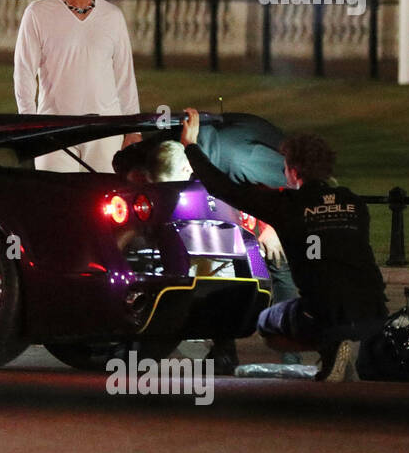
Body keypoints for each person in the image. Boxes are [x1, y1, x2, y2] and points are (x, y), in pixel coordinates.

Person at [178, 108, 387, 381]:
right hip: (374, 312)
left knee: (268, 324)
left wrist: (190, 146)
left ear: (292, 170)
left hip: (325, 313)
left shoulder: (287, 205)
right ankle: (339, 349)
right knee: (339, 298)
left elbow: (222, 189)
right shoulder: (354, 203)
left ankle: (331, 342)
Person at [115, 113, 299, 369]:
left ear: (186, 169)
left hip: (263, 182)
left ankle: (292, 356)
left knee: (279, 260)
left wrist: (272, 226)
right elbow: (123, 159)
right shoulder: (159, 149)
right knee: (215, 257)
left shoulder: (244, 159)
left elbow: (295, 184)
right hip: (215, 178)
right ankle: (224, 351)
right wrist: (133, 175)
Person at [14, 0, 140, 172]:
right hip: (55, 131)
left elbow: (125, 78)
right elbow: (24, 74)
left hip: (106, 130)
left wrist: (132, 129)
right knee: (57, 202)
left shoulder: (112, 16)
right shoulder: (38, 13)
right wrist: (29, 125)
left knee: (104, 203)